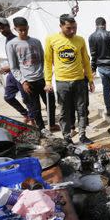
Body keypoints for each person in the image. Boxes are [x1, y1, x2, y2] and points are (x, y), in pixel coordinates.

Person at [44, 14, 95, 144]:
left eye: (74, 28)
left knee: (82, 110)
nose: (72, 31)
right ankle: (67, 137)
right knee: (64, 112)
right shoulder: (51, 39)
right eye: (68, 28)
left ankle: (82, 135)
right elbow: (48, 62)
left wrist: (90, 79)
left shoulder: (80, 40)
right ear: (61, 26)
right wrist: (48, 81)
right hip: (62, 82)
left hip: (79, 81)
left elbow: (86, 61)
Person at [6, 17, 57, 132]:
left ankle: (52, 124)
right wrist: (23, 81)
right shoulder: (11, 45)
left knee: (51, 101)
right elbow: (14, 67)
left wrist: (47, 77)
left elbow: (44, 60)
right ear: (15, 29)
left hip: (42, 78)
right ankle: (42, 129)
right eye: (20, 30)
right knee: (35, 107)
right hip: (27, 81)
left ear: (28, 27)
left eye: (25, 29)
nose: (23, 32)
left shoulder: (36, 41)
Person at [0, 17, 32, 124]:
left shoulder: (16, 40)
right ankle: (26, 114)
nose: (1, 31)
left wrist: (8, 67)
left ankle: (33, 118)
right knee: (8, 97)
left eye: (3, 28)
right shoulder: (7, 40)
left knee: (26, 98)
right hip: (12, 73)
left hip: (20, 72)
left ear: (9, 27)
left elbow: (23, 60)